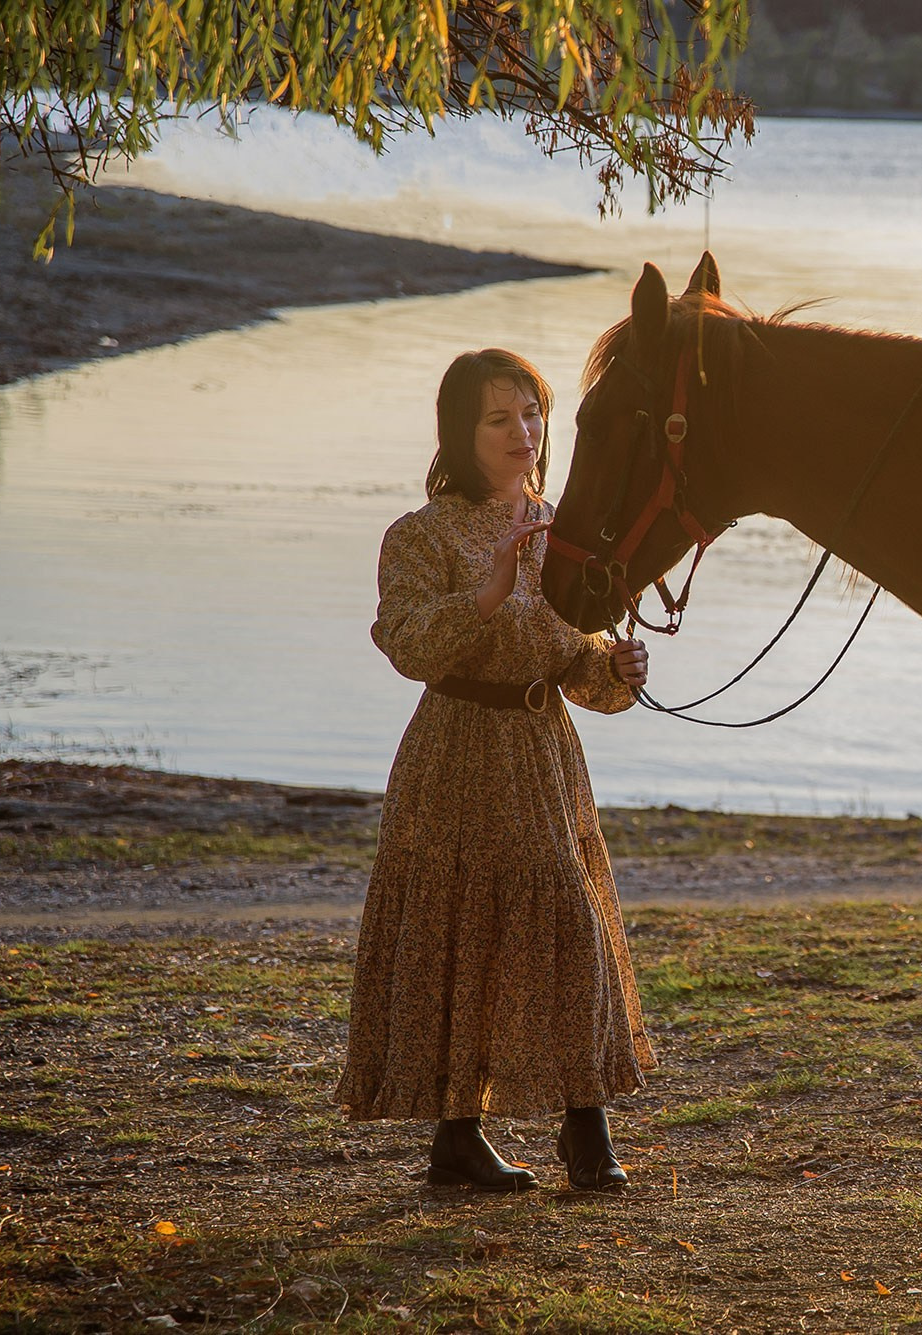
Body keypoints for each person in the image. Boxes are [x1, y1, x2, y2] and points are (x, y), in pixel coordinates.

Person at [335, 348, 652, 1192]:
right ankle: (456, 1138)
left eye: (532, 413)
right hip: (455, 752)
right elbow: (407, 644)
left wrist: (613, 670)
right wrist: (492, 587)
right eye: (499, 418)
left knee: (571, 930)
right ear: (459, 432)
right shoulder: (420, 534)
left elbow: (575, 665)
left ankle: (585, 1129)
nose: (525, 432)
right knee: (458, 940)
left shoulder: (566, 532)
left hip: (544, 758)